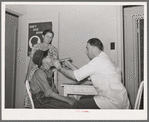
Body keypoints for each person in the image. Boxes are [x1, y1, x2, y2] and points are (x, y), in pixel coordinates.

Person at [54, 38, 130, 109]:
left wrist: (59, 68)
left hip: (112, 101)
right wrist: (70, 65)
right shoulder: (103, 58)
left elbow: (75, 76)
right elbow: (81, 74)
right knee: (83, 98)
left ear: (94, 49)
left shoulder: (97, 61)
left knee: (77, 105)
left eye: (87, 48)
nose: (86, 51)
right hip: (117, 98)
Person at [24, 29, 59, 108]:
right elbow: (31, 63)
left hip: (46, 73)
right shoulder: (36, 47)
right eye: (47, 36)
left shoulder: (53, 49)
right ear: (43, 36)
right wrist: (27, 76)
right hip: (34, 73)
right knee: (33, 96)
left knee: (47, 95)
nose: (49, 39)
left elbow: (55, 64)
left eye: (51, 37)